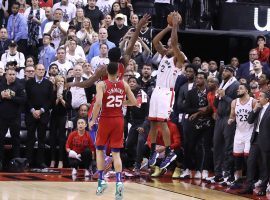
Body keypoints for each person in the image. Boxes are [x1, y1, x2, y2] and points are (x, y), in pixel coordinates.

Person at [88, 62, 137, 199]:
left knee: (99, 150)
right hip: (119, 120)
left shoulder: (101, 84)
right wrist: (123, 102)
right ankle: (119, 183)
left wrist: (92, 119)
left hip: (105, 119)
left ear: (106, 72)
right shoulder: (124, 84)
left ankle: (101, 181)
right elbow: (134, 102)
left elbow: (98, 103)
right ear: (118, 72)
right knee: (116, 153)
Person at [148, 12, 185, 170]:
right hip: (157, 91)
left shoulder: (179, 58)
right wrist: (168, 27)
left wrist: (175, 27)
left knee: (163, 123)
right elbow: (155, 41)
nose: (168, 45)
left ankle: (170, 151)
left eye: (170, 44)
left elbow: (175, 44)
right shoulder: (164, 55)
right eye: (168, 44)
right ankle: (153, 151)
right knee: (153, 123)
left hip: (167, 92)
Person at [240, 91, 270, 196]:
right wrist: (254, 109)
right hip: (255, 139)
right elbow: (249, 120)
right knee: (250, 162)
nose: (258, 98)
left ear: (267, 99)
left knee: (265, 165)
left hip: (266, 140)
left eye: (261, 96)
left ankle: (263, 187)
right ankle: (249, 186)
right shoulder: (259, 108)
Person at [25, 64, 54, 168]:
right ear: (35, 71)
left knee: (42, 140)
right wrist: (33, 110)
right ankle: (28, 161)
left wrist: (41, 111)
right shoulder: (28, 83)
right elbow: (26, 99)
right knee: (30, 139)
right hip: (30, 114)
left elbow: (50, 100)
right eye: (39, 69)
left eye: (43, 69)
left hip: (43, 114)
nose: (41, 71)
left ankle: (40, 161)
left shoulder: (49, 84)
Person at [228, 83, 256, 188]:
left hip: (249, 132)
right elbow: (232, 115)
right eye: (238, 89)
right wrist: (230, 120)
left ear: (247, 91)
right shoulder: (234, 102)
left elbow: (256, 116)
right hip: (238, 132)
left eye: (240, 88)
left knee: (248, 158)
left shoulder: (252, 101)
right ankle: (238, 180)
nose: (238, 90)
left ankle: (250, 180)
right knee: (237, 158)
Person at [0, 68, 26, 171]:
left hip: (15, 117)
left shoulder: (19, 86)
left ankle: (17, 162)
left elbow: (23, 100)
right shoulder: (1, 85)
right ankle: (1, 161)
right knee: (0, 139)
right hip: (2, 117)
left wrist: (11, 97)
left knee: (16, 140)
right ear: (6, 75)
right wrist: (1, 96)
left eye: (14, 74)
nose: (12, 76)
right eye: (10, 74)